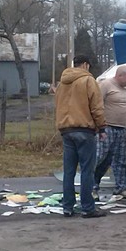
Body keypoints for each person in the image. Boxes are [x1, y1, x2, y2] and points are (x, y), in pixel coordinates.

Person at [55, 54, 107, 218]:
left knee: (69, 171)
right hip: (84, 129)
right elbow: (96, 107)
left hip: (66, 129)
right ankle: (87, 207)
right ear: (85, 65)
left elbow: (58, 104)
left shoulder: (62, 82)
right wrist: (102, 127)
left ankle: (68, 207)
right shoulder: (88, 80)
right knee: (87, 170)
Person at [92, 65, 126, 200]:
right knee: (101, 158)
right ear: (119, 76)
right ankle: (92, 187)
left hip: (120, 128)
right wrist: (98, 125)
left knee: (120, 159)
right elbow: (97, 104)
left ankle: (121, 188)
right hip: (106, 127)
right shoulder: (106, 85)